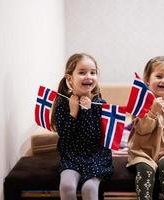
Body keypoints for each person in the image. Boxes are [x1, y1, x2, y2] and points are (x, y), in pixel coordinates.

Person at [50, 53, 113, 200]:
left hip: (96, 155)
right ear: (70, 78)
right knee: (67, 186)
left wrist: (86, 111)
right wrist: (73, 112)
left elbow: (93, 137)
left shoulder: (100, 104)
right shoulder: (62, 103)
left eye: (93, 72)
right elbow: (65, 135)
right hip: (71, 155)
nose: (88, 76)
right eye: (82, 72)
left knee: (89, 188)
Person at [127, 56, 164, 200]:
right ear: (148, 80)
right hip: (143, 151)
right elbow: (142, 129)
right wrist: (153, 111)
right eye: (159, 76)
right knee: (145, 171)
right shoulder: (141, 103)